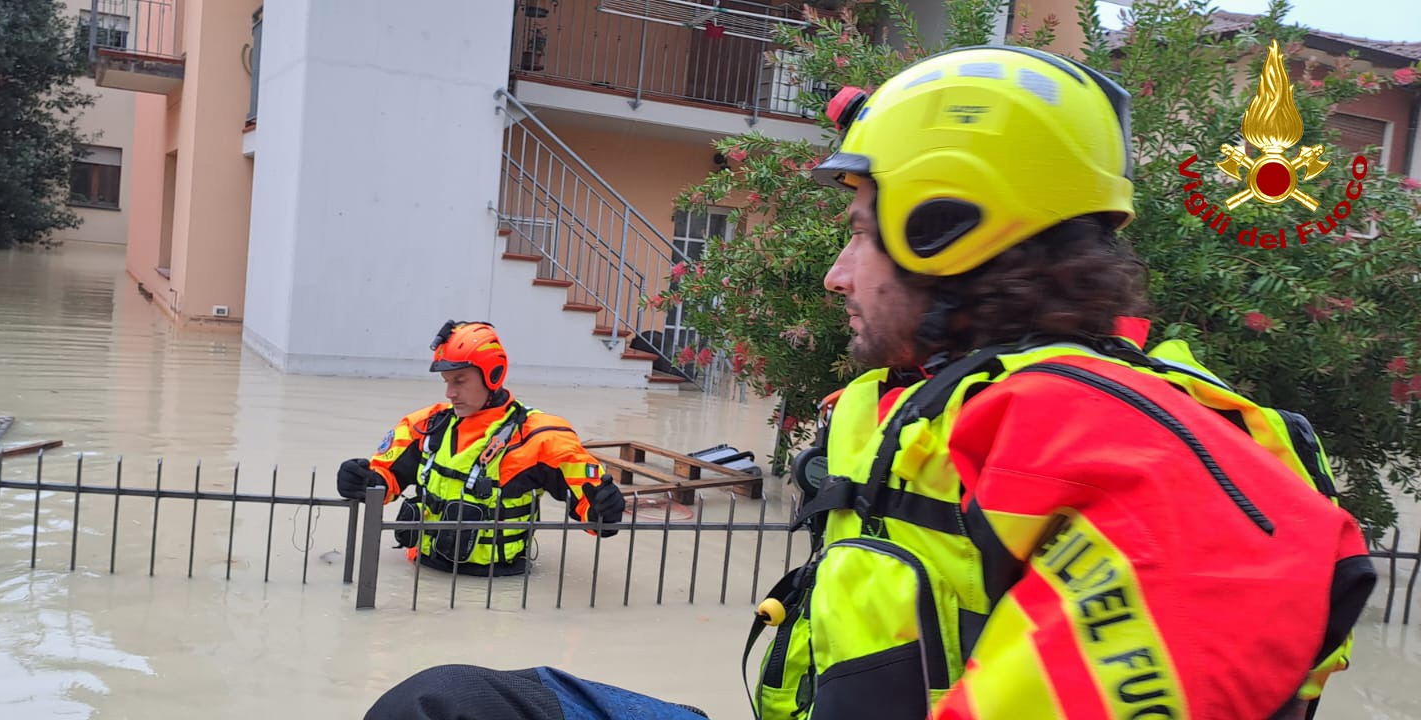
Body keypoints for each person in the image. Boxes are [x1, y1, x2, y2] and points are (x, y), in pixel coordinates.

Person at [364, 46, 1375, 719]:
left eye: (857, 233)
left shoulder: (1079, 423)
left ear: (947, 226)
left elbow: (1229, 583)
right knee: (452, 703)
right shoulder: (933, 401)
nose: (834, 273)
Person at [337, 319, 626, 577]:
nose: (450, 393)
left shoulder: (541, 438)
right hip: (420, 573)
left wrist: (605, 510)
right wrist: (362, 482)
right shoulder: (424, 425)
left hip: (497, 588)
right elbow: (385, 480)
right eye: (447, 382)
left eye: (460, 380)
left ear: (493, 374)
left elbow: (591, 507)